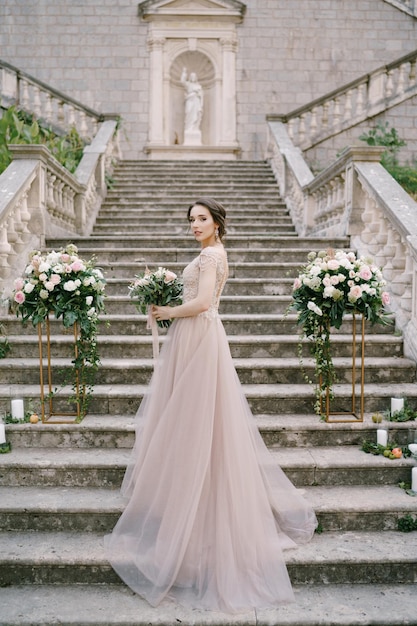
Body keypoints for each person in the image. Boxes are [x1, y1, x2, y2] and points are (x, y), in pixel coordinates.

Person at [104, 198, 317, 613]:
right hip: (197, 336)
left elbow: (202, 303)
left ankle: (198, 523)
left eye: (202, 219)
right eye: (190, 220)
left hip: (199, 334)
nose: (195, 225)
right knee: (195, 423)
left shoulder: (211, 256)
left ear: (218, 222)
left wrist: (167, 310)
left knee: (197, 421)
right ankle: (189, 507)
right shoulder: (213, 254)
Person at [180, 67, 203, 133]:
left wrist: (201, 106)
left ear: (196, 78)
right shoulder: (188, 84)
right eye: (192, 76)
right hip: (189, 100)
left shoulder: (199, 86)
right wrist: (184, 73)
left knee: (196, 115)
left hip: (196, 101)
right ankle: (188, 128)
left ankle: (195, 128)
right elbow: (182, 81)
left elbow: (201, 97)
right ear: (190, 77)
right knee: (188, 112)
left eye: (194, 76)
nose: (193, 77)